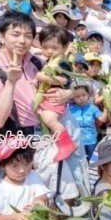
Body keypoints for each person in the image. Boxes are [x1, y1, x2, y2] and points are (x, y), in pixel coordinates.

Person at [35, 25, 77, 161]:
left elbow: (64, 79)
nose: (49, 51)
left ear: (64, 48)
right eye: (45, 47)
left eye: (54, 48)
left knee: (49, 119)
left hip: (55, 97)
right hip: (48, 98)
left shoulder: (62, 62)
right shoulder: (49, 61)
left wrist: (44, 77)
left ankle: (67, 144)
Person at [68, 83, 108, 160]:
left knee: (93, 161)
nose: (81, 98)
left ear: (88, 95)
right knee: (79, 162)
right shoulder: (70, 109)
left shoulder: (92, 108)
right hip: (76, 142)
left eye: (83, 95)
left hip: (91, 141)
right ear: (73, 98)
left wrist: (106, 107)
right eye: (77, 96)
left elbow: (102, 119)